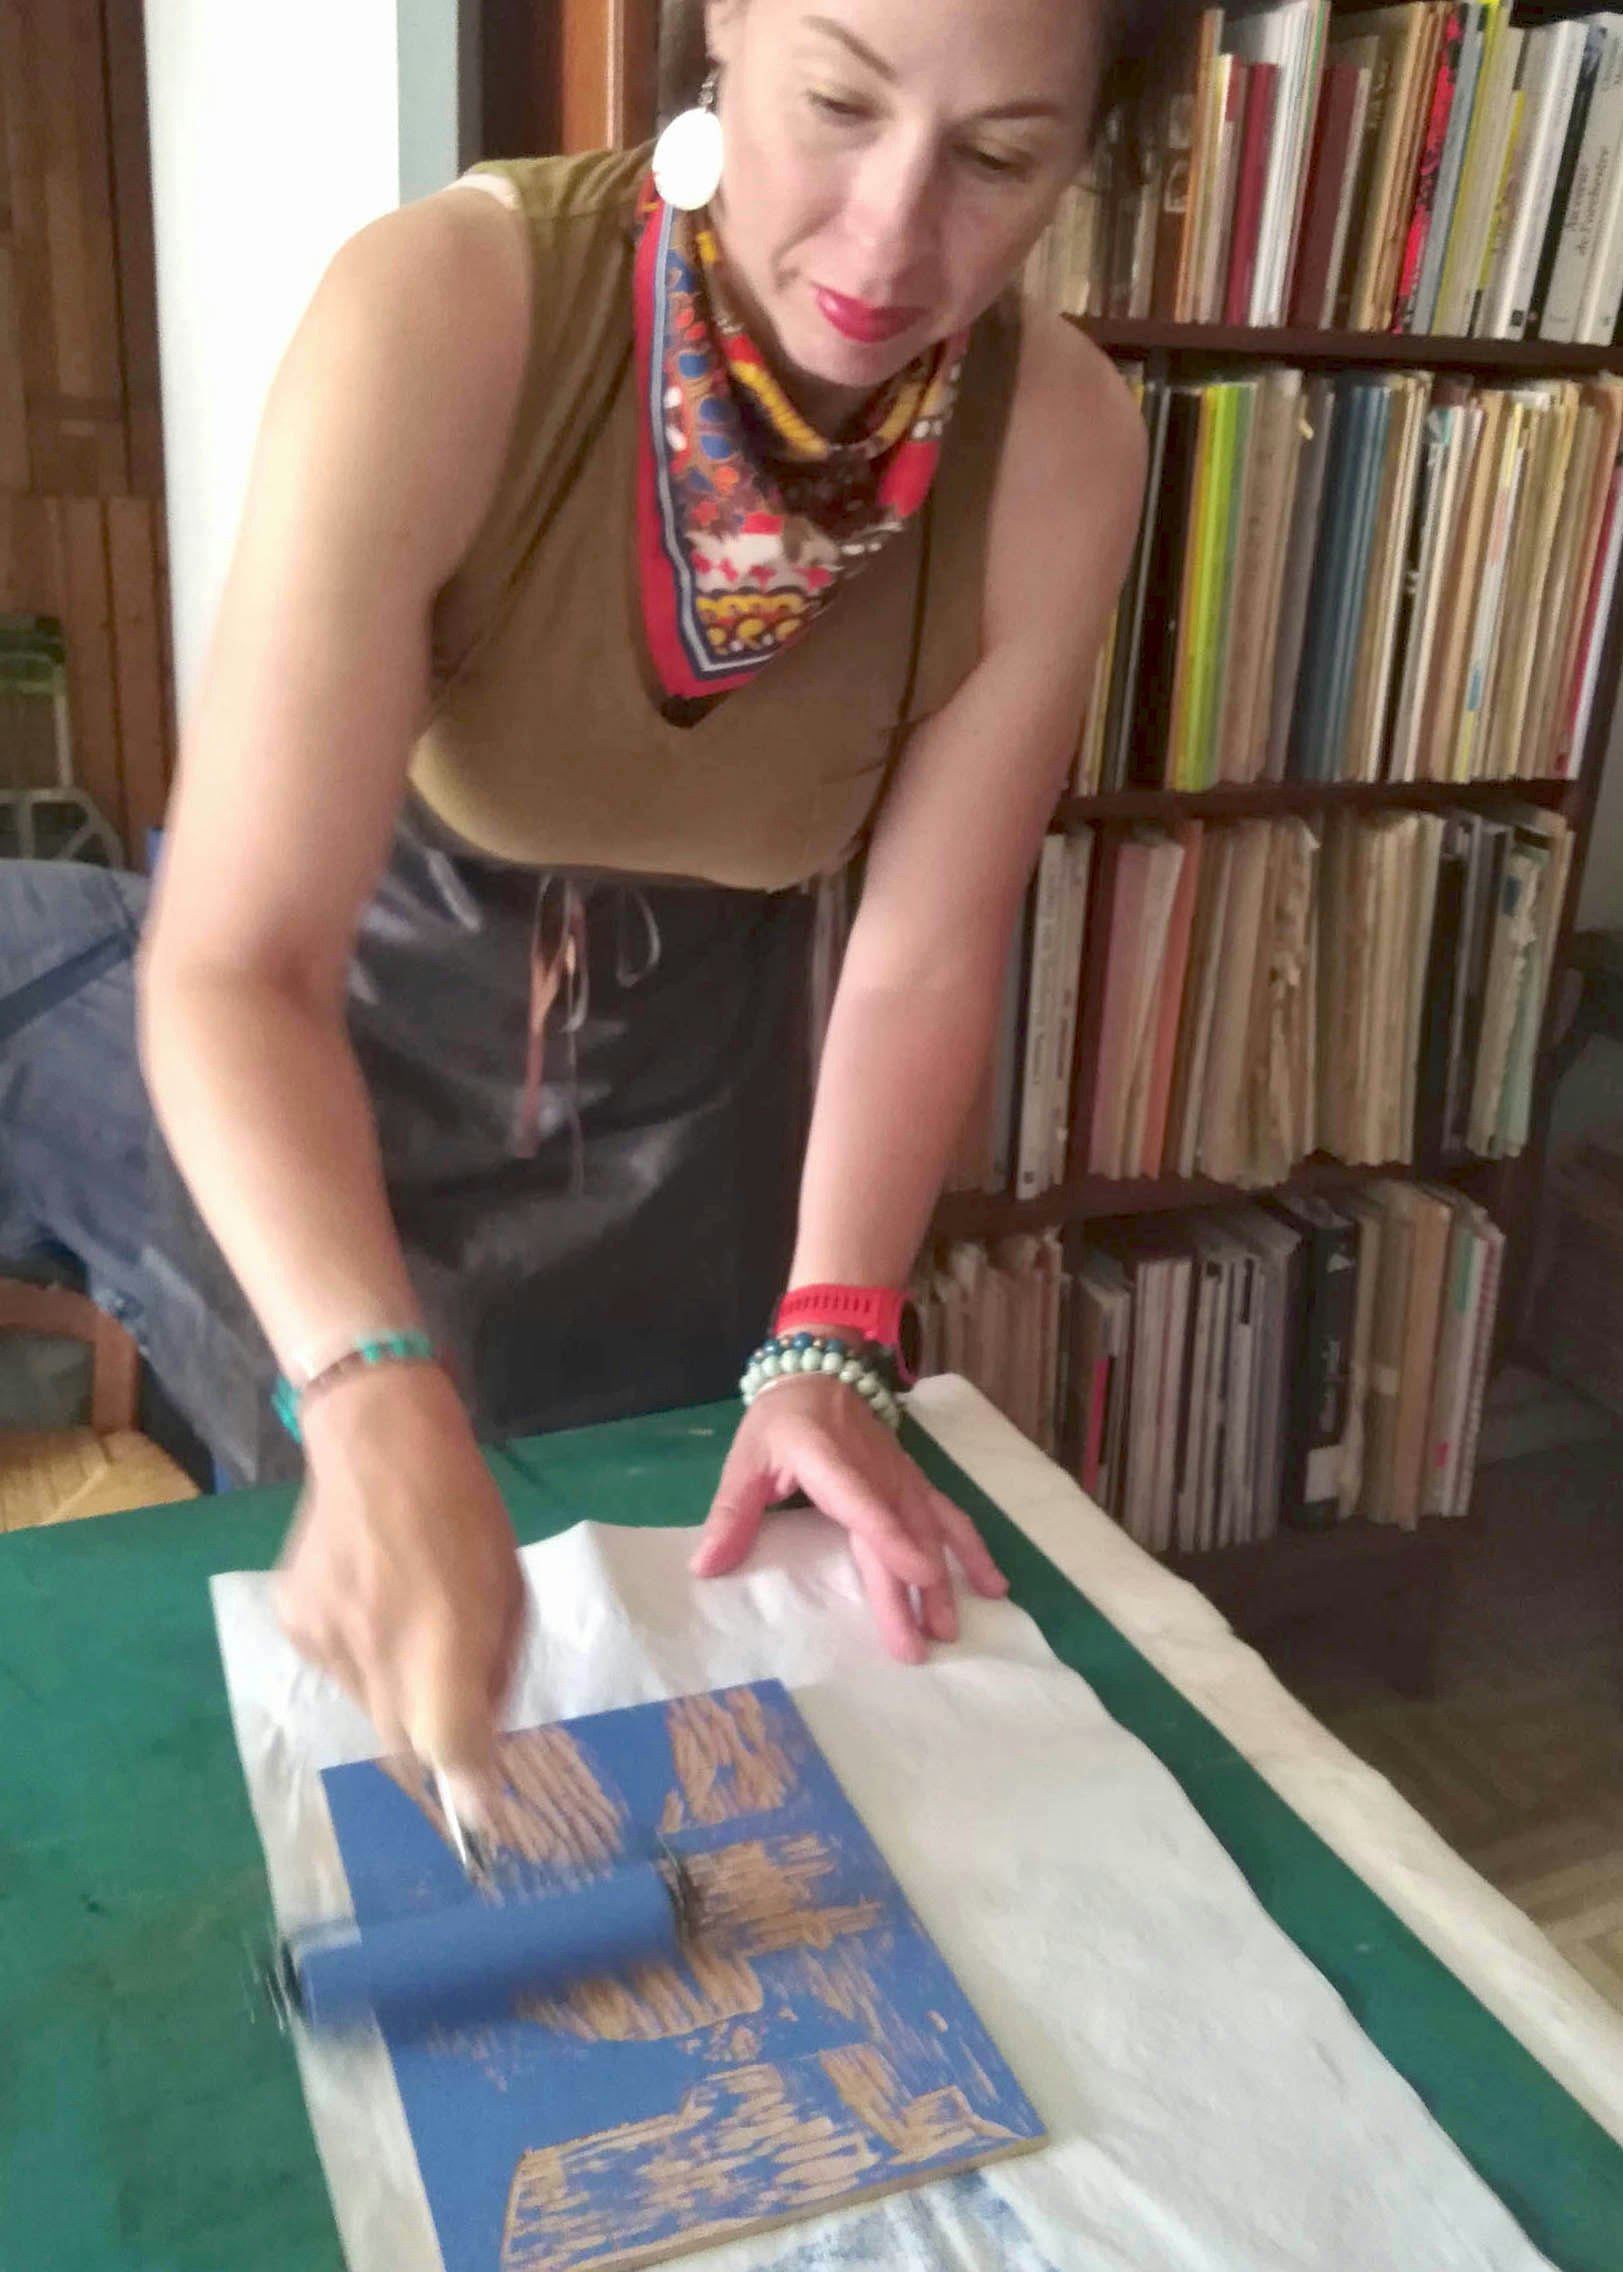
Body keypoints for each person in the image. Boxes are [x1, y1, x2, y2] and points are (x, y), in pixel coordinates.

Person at [0, 0, 1181, 1788]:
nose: (888, 236)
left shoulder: (1058, 450)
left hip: (698, 1113)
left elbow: (920, 958)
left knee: (658, 1693)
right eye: (838, 103)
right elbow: (238, 960)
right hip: (345, 1078)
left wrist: (833, 1339)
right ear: (728, 26)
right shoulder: (447, 311)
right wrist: (366, 1386)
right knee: (365, 1697)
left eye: (998, 158)